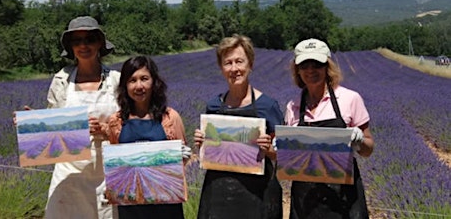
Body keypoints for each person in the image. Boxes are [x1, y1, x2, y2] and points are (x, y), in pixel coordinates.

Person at [194, 34, 284, 219]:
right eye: (228, 63)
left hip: (257, 195)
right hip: (218, 194)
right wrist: (202, 143)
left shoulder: (267, 106)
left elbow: (283, 155)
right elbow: (210, 151)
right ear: (221, 68)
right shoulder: (213, 106)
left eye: (239, 61)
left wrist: (267, 150)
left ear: (250, 64)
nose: (234, 68)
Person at [284, 38, 375, 219]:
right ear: (297, 70)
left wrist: (359, 141)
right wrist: (283, 150)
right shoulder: (293, 106)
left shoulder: (350, 99)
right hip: (305, 199)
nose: (311, 70)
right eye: (304, 65)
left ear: (327, 66)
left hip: (343, 197)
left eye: (317, 64)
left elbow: (368, 149)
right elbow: (291, 162)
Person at [45, 16, 121, 218]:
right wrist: (32, 124)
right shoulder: (61, 80)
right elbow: (52, 131)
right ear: (71, 47)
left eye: (89, 39)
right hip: (69, 169)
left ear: (99, 43)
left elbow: (131, 122)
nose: (83, 45)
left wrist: (107, 129)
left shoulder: (117, 80)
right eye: (76, 41)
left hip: (108, 168)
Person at [107, 55, 191, 219]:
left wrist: (182, 155)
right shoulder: (116, 122)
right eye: (132, 80)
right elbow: (116, 167)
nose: (139, 86)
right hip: (131, 208)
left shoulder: (170, 118)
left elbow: (183, 162)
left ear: (154, 82)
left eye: (144, 79)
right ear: (125, 85)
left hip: (166, 206)